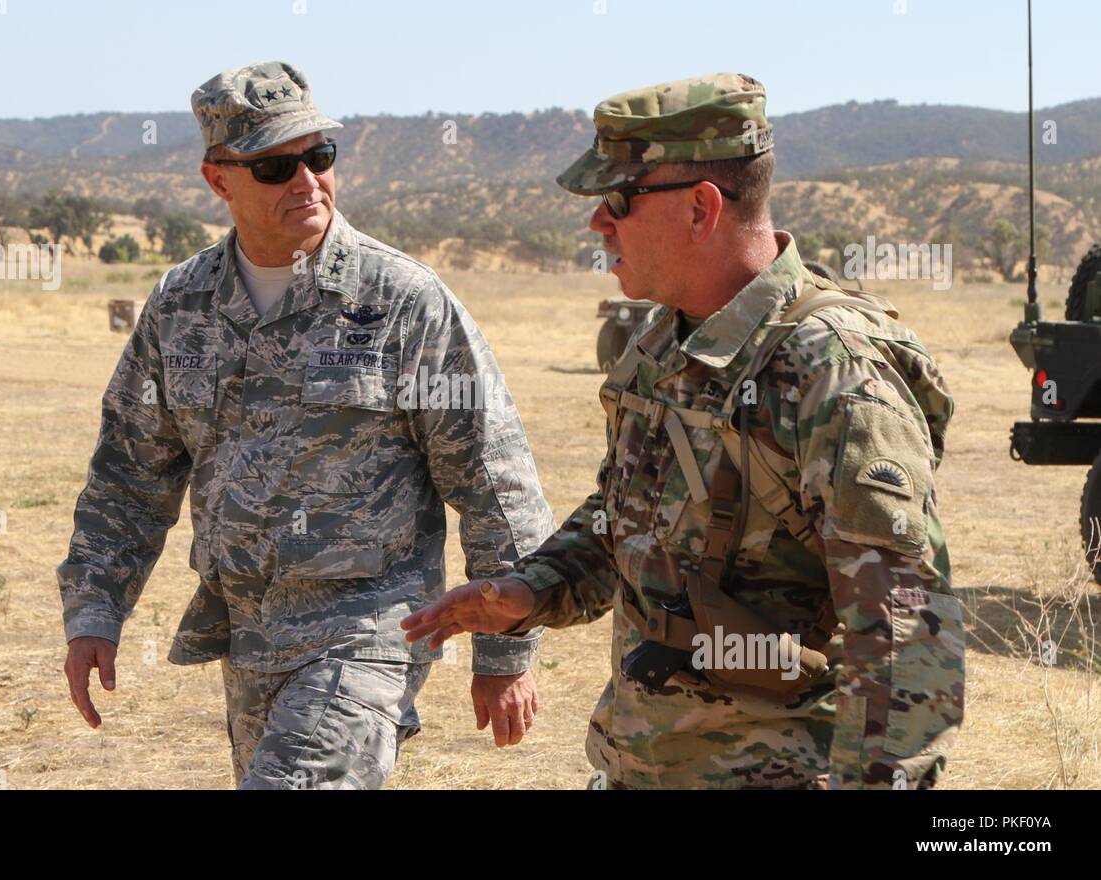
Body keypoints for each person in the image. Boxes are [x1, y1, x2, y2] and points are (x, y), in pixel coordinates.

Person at [402, 72, 965, 790]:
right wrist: (531, 590)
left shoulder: (833, 370)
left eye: (619, 199)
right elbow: (623, 520)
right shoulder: (666, 345)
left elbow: (906, 639)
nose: (597, 223)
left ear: (701, 209)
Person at [58, 60, 553, 789]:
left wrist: (506, 651)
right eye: (275, 166)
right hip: (246, 638)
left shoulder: (401, 301)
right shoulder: (182, 305)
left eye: (320, 156)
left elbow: (492, 479)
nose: (306, 180)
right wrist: (96, 609)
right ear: (218, 180)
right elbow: (130, 475)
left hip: (369, 631)